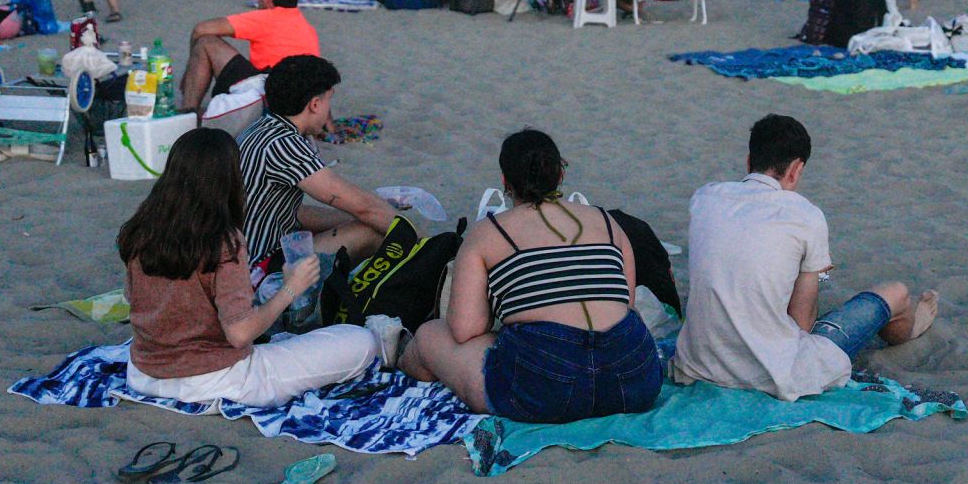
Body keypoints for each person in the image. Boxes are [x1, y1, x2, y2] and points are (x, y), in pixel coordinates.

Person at [401, 129, 660, 422]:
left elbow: (464, 330)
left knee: (428, 337)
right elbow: (626, 306)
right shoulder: (607, 221)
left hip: (547, 385)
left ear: (505, 182)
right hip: (634, 378)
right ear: (559, 175)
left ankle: (400, 358)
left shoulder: (488, 233)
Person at [672, 115, 937, 400]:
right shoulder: (805, 215)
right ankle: (912, 328)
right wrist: (817, 273)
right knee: (896, 293)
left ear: (749, 161)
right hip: (771, 374)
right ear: (796, 170)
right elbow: (801, 323)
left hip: (699, 364)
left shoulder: (705, 197)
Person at [117, 128, 382, 408]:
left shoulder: (141, 228)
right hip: (218, 379)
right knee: (360, 341)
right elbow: (240, 333)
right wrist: (291, 287)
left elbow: (132, 299)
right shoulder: (223, 239)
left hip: (144, 374)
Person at [233, 55, 395, 276]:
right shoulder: (285, 145)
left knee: (366, 221)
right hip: (258, 268)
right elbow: (364, 207)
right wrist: (420, 238)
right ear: (315, 105)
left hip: (239, 254)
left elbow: (292, 212)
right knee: (372, 232)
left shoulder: (261, 128)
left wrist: (352, 218)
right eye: (329, 101)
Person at [177, 0, 320, 111]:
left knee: (205, 43)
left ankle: (188, 113)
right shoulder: (308, 28)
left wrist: (188, 73)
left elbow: (199, 29)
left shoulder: (265, 18)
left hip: (268, 93)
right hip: (298, 99)